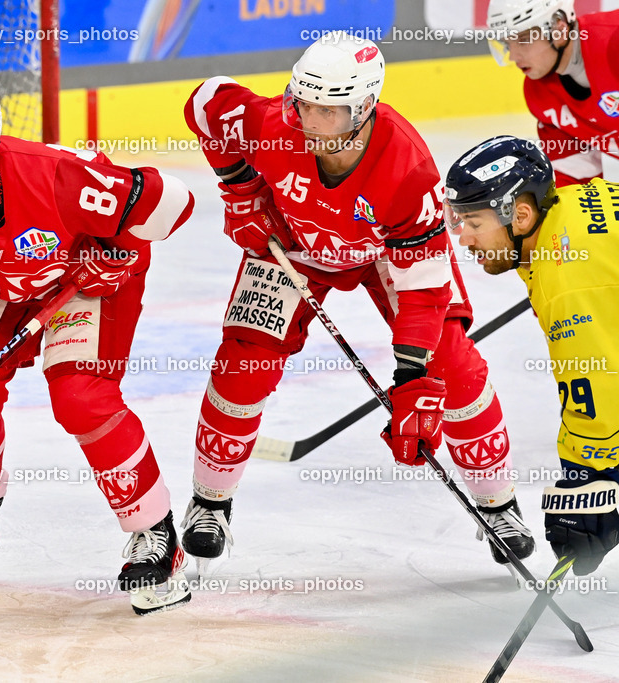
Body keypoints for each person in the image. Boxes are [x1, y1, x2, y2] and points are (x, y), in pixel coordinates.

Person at [180, 31, 535, 571]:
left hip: (380, 256)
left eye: (330, 110)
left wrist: (412, 375)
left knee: (453, 366)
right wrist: (239, 190)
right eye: (303, 104)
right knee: (243, 362)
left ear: (364, 108)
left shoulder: (407, 168)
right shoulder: (275, 124)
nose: (311, 122)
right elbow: (205, 103)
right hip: (292, 246)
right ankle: (210, 502)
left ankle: (498, 503)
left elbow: (422, 287)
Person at [0, 80, 196, 614]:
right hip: (0, 280)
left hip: (86, 279)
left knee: (81, 397)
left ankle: (157, 538)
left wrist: (121, 245)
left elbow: (176, 201)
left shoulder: (56, 178)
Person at [444, 135, 619, 575]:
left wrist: (588, 487)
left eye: (473, 222)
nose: (463, 238)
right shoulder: (569, 210)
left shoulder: (568, 280)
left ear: (520, 215)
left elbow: (597, 390)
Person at [487, 0, 619, 185]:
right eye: (507, 44)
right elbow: (577, 187)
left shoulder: (614, 39)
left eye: (523, 40)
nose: (513, 56)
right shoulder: (540, 95)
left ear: (559, 28)